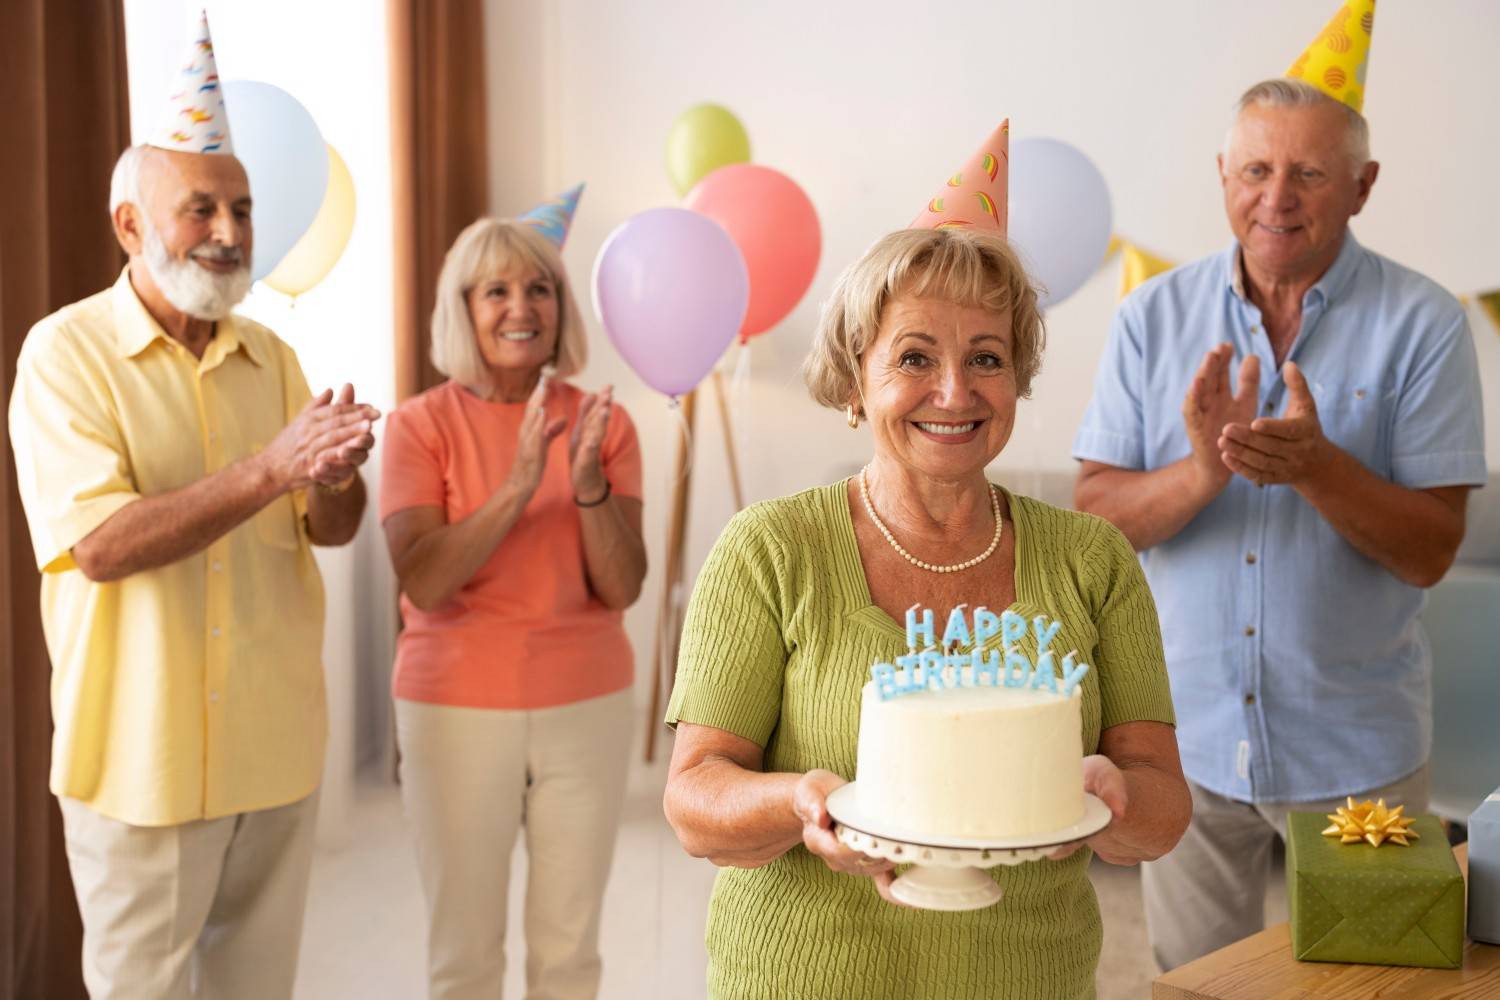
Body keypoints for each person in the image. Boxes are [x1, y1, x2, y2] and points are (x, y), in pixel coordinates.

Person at [662, 224, 1192, 1000]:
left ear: (1018, 378)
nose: (955, 391)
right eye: (914, 357)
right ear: (853, 379)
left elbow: (1164, 809)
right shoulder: (770, 550)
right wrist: (801, 800)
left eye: (987, 357)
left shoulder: (1094, 560)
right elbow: (694, 801)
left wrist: (1113, 796)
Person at [1072, 73, 1486, 968]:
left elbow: (1430, 551)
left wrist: (1317, 468)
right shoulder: (1151, 316)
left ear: (1364, 186)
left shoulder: (1426, 325)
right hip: (1183, 744)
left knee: (1375, 985)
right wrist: (1200, 471)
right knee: (1196, 986)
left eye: (1309, 173)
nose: (1277, 197)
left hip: (1359, 752)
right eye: (1255, 168)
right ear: (1223, 174)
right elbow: (1098, 516)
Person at [6, 16, 377, 999]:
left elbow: (329, 529)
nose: (228, 232)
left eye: (242, 210)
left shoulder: (277, 359)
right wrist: (272, 468)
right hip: (140, 764)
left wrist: (334, 474)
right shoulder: (63, 354)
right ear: (129, 225)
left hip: (276, 750)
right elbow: (99, 545)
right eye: (200, 208)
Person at [379, 206, 646, 1000]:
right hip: (455, 709)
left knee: (569, 953)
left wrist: (588, 486)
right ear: (461, 309)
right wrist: (520, 485)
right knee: (463, 954)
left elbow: (623, 586)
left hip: (586, 703)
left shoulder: (606, 423)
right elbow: (423, 579)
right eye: (495, 290)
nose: (521, 308)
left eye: (540, 289)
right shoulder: (417, 426)